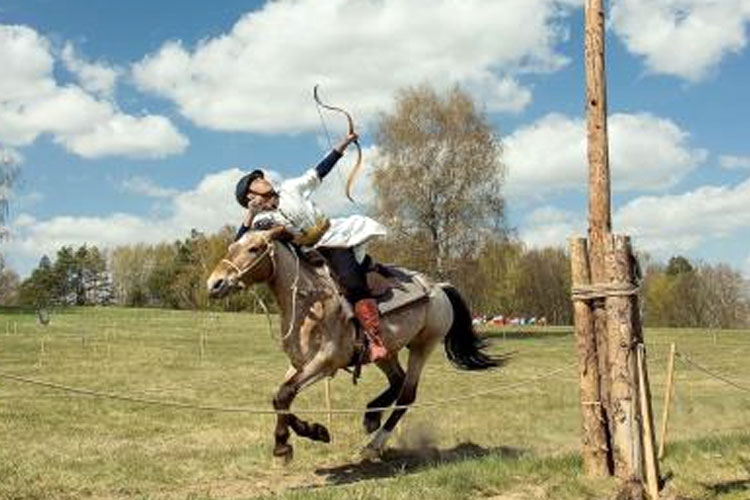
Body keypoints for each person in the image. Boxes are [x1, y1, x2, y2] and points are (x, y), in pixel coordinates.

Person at [234, 132, 388, 361]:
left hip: (332, 237)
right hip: (307, 255)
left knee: (351, 282)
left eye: (260, 178)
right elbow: (239, 245)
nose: (263, 179)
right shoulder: (261, 220)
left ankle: (376, 341)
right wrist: (250, 215)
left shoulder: (291, 188)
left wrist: (345, 142)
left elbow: (320, 170)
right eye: (255, 181)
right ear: (251, 196)